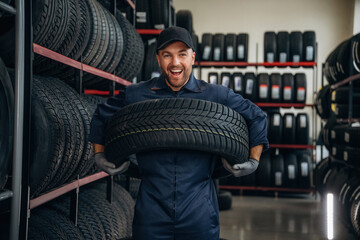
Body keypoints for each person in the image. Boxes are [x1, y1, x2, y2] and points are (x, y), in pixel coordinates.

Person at [89, 26, 269, 240]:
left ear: (193, 57)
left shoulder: (215, 96)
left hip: (199, 210)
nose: (175, 63)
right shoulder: (137, 95)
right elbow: (101, 115)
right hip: (151, 211)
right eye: (167, 55)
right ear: (158, 59)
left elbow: (257, 116)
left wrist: (253, 160)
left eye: (182, 54)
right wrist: (100, 155)